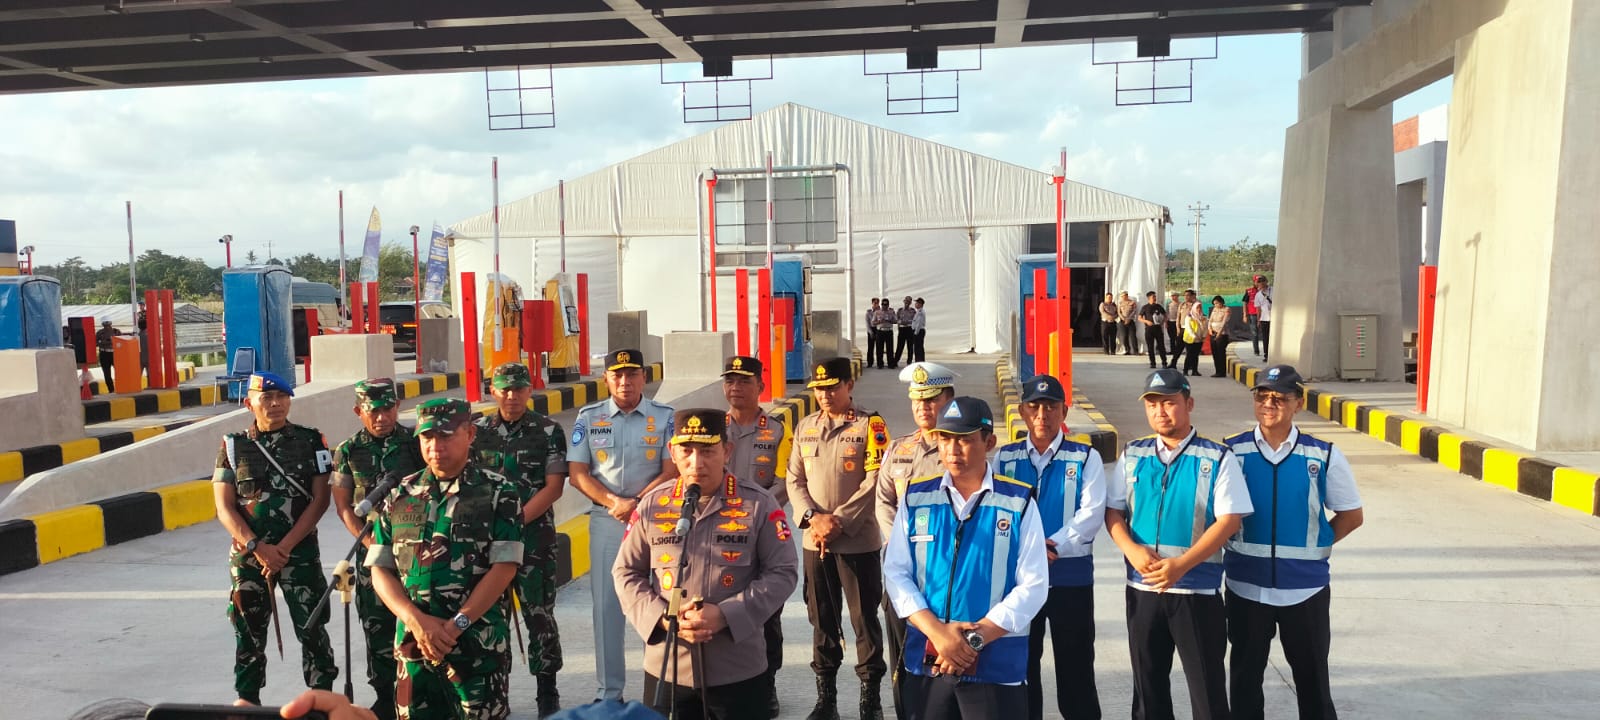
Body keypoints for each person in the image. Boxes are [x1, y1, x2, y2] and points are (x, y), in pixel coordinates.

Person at [613, 409, 800, 720]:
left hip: (737, 670)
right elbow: (625, 571)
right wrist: (663, 618)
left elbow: (783, 572)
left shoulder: (758, 504)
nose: (696, 462)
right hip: (668, 668)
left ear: (727, 451)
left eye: (707, 451)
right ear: (672, 451)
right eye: (686, 451)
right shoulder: (652, 505)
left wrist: (726, 615)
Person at [883, 396, 1048, 720]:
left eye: (965, 440)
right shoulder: (916, 497)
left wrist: (974, 639)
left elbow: (1034, 585)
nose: (952, 450)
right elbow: (896, 572)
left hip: (996, 665)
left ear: (990, 442)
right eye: (945, 438)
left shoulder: (1018, 502)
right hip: (929, 660)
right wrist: (938, 634)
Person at [1104, 368, 1252, 720]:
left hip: (1195, 593)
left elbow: (1229, 521)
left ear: (1189, 404)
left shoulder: (1217, 458)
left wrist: (1181, 565)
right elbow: (1114, 512)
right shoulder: (1134, 454)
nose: (1160, 411)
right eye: (1152, 404)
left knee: (1207, 692)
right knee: (1148, 690)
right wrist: (1132, 550)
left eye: (1169, 403)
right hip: (1143, 590)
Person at [366, 398, 524, 720]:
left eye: (445, 435)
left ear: (470, 434)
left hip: (476, 647)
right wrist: (416, 621)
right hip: (414, 646)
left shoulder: (498, 492)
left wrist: (455, 625)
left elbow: (504, 568)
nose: (435, 446)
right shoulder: (400, 494)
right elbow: (380, 569)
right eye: (427, 437)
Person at [1224, 366, 1364, 720]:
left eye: (1279, 398)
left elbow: (1351, 515)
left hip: (1305, 590)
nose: (1269, 404)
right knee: (1244, 681)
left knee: (1313, 682)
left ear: (1298, 403)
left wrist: (1315, 544)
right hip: (1246, 587)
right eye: (1262, 396)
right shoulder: (1231, 452)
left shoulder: (1323, 454)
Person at [212, 371, 338, 706]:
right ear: (249, 403)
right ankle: (248, 700)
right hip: (249, 557)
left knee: (312, 627)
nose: (276, 404)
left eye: (282, 397)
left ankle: (322, 699)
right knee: (248, 630)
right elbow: (224, 507)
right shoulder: (232, 445)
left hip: (298, 553)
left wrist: (283, 548)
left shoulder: (312, 441)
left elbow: (320, 500)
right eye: (266, 398)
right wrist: (257, 547)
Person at [567, 349, 678, 703]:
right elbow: (577, 473)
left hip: (656, 519)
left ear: (644, 377)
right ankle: (609, 693)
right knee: (607, 608)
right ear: (606, 380)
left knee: (660, 602)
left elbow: (671, 469)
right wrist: (614, 503)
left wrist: (637, 502)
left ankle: (661, 689)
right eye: (617, 375)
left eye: (632, 374)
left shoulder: (665, 417)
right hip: (608, 520)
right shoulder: (589, 418)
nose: (625, 382)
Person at [993, 375, 1106, 720]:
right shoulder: (1004, 459)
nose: (1042, 414)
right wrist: (1032, 553)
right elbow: (995, 511)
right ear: (1022, 412)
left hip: (1070, 579)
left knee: (1076, 666)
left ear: (1064, 412)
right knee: (1023, 664)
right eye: (1035, 407)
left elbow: (1091, 513)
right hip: (1021, 584)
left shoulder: (1085, 457)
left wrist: (1051, 546)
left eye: (1051, 407)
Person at [787, 357, 891, 720]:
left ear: (849, 385)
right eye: (819, 389)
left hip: (857, 541)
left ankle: (870, 700)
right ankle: (826, 700)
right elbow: (794, 479)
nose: (825, 395)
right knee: (822, 620)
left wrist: (839, 521)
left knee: (864, 621)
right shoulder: (805, 427)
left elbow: (875, 479)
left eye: (832, 387)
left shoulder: (869, 425)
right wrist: (813, 519)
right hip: (815, 542)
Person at [471, 363, 569, 718]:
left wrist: (513, 523)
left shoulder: (548, 430)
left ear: (530, 390)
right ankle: (497, 691)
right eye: (504, 389)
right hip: (487, 544)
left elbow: (553, 487)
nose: (511, 396)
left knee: (539, 615)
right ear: (493, 391)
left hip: (533, 539)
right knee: (491, 618)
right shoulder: (476, 431)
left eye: (518, 389)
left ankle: (547, 690)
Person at [330, 378, 426, 720]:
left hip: (417, 551)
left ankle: (422, 692)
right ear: (359, 411)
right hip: (372, 550)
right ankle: (385, 696)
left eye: (388, 409)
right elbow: (344, 506)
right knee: (377, 624)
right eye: (374, 411)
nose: (382, 417)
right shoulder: (347, 451)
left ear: (397, 407)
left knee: (419, 618)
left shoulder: (415, 443)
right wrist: (373, 545)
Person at [874, 361, 957, 720]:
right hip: (904, 572)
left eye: (932, 398)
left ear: (949, 400)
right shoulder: (898, 449)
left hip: (946, 574)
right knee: (903, 656)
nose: (924, 406)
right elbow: (883, 502)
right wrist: (903, 546)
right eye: (917, 400)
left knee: (944, 656)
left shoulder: (959, 449)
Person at [721, 355, 790, 717]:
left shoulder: (777, 430)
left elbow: (786, 480)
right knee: (722, 605)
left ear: (760, 386)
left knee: (766, 612)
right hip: (719, 532)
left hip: (762, 531)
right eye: (730, 381)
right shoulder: (714, 428)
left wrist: (755, 511)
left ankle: (768, 683)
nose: (736, 388)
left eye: (744, 381)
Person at [1137, 292, 1168, 369]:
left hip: (1158, 328)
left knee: (1161, 346)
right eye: (1153, 297)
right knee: (1150, 347)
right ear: (1149, 298)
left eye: (1155, 296)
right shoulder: (1145, 307)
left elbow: (1165, 315)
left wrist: (1162, 322)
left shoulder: (1158, 306)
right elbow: (1139, 318)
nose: (1155, 298)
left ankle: (1164, 362)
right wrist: (1146, 321)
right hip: (1149, 329)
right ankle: (1152, 363)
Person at [1180, 290, 1205, 378]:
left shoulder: (1202, 317)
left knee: (1196, 355)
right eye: (1197, 308)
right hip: (1190, 338)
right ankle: (1185, 370)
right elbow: (1189, 328)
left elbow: (1204, 327)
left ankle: (1195, 370)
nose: (1199, 309)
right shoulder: (1189, 317)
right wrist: (1195, 336)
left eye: (1200, 308)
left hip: (1199, 339)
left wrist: (1203, 336)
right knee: (1189, 354)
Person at [1207, 296, 1232, 378]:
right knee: (1215, 352)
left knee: (1220, 352)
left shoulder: (1226, 309)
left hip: (1222, 333)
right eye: (1214, 304)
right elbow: (1210, 320)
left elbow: (1224, 322)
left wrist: (1219, 333)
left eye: (1217, 303)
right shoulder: (1214, 309)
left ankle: (1222, 371)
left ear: (1221, 302)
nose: (1216, 305)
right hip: (1213, 332)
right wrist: (1209, 329)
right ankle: (1217, 370)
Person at [872, 299, 899, 370]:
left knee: (890, 348)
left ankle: (890, 364)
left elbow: (896, 321)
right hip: (880, 331)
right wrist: (879, 321)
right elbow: (873, 322)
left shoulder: (891, 312)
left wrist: (890, 321)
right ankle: (880, 364)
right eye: (883, 304)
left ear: (888, 305)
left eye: (886, 304)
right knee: (879, 348)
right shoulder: (877, 312)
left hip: (888, 331)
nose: (884, 306)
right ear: (881, 305)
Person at [1252, 276, 1273, 361]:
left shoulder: (1273, 290)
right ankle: (1266, 355)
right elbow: (1258, 309)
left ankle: (1274, 354)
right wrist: (1258, 320)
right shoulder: (1258, 295)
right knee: (1265, 337)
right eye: (1259, 285)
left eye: (1262, 284)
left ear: (1266, 282)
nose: (1261, 287)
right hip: (1264, 318)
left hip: (1275, 318)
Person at [893, 296, 917, 367]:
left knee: (910, 347)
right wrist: (900, 323)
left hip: (909, 329)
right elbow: (896, 319)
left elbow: (915, 320)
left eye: (909, 301)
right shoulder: (900, 310)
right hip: (902, 329)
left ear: (910, 303)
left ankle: (909, 362)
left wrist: (908, 322)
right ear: (904, 301)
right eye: (906, 301)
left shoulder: (913, 311)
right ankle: (895, 361)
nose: (907, 302)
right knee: (900, 346)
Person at [1164, 292, 1184, 369]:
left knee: (1177, 337)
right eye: (1172, 296)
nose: (1173, 297)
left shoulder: (1181, 304)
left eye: (1175, 296)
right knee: (1171, 337)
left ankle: (1177, 350)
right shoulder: (1169, 304)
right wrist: (1166, 322)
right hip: (1170, 321)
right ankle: (1172, 350)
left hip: (1177, 322)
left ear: (1177, 296)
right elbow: (1166, 314)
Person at [1243, 277, 1262, 358]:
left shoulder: (1265, 291)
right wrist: (1245, 315)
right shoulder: (1249, 291)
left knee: (1266, 333)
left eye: (1260, 281)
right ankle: (1256, 351)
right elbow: (1244, 303)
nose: (1258, 283)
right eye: (1257, 281)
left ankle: (1268, 352)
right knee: (1255, 333)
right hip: (1253, 315)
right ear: (1254, 282)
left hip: (1265, 314)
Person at [1115, 292, 1139, 356]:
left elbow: (1134, 311)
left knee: (1132, 336)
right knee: (1124, 336)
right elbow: (1119, 312)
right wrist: (1123, 318)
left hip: (1130, 321)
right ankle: (1127, 350)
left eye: (1124, 296)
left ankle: (1135, 351)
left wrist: (1129, 318)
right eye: (1122, 296)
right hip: (1122, 321)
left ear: (1127, 296)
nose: (1123, 297)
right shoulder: (1120, 303)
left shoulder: (1132, 302)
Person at [96, 320, 117, 388]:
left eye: (108, 324)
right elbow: (96, 343)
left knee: (119, 371)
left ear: (111, 324)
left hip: (114, 353)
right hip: (104, 353)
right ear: (103, 325)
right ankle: (111, 389)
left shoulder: (116, 331)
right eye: (105, 325)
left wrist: (103, 342)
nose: (107, 326)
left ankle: (121, 387)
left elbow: (120, 341)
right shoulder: (100, 332)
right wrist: (107, 342)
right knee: (107, 373)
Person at [865, 299, 882, 369]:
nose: (876, 304)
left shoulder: (881, 312)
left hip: (878, 330)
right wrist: (870, 332)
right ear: (872, 303)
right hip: (871, 329)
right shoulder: (868, 312)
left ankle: (879, 363)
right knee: (870, 347)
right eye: (875, 303)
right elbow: (867, 324)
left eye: (877, 303)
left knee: (879, 347)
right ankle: (870, 363)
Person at [911, 298, 928, 363]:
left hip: (919, 331)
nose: (915, 304)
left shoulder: (920, 312)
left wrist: (916, 333)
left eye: (917, 303)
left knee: (918, 348)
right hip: (918, 331)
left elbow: (919, 323)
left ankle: (919, 361)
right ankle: (919, 361)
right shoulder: (918, 311)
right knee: (918, 347)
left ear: (920, 304)